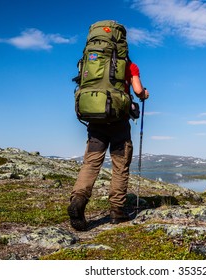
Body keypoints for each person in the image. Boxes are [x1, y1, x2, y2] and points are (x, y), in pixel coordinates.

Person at [67, 58, 149, 231]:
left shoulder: (90, 61)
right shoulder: (129, 66)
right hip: (119, 121)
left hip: (95, 121)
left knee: (91, 163)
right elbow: (138, 90)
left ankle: (78, 200)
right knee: (120, 165)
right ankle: (117, 211)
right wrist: (144, 94)